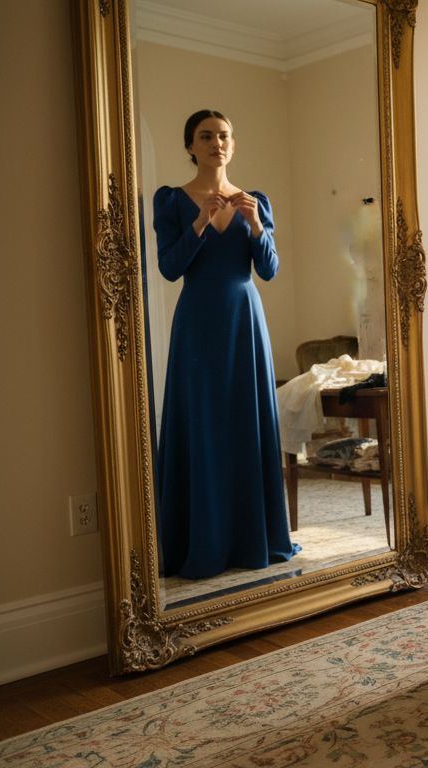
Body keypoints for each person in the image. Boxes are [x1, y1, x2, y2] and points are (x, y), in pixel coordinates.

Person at [152, 109, 299, 580]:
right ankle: (201, 540)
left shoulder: (256, 201)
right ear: (190, 146)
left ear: (233, 145)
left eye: (224, 136)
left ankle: (251, 538)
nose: (217, 142)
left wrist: (256, 227)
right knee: (202, 422)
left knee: (245, 420)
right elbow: (170, 269)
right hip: (198, 319)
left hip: (245, 319)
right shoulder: (172, 200)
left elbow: (270, 270)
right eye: (206, 136)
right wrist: (199, 223)